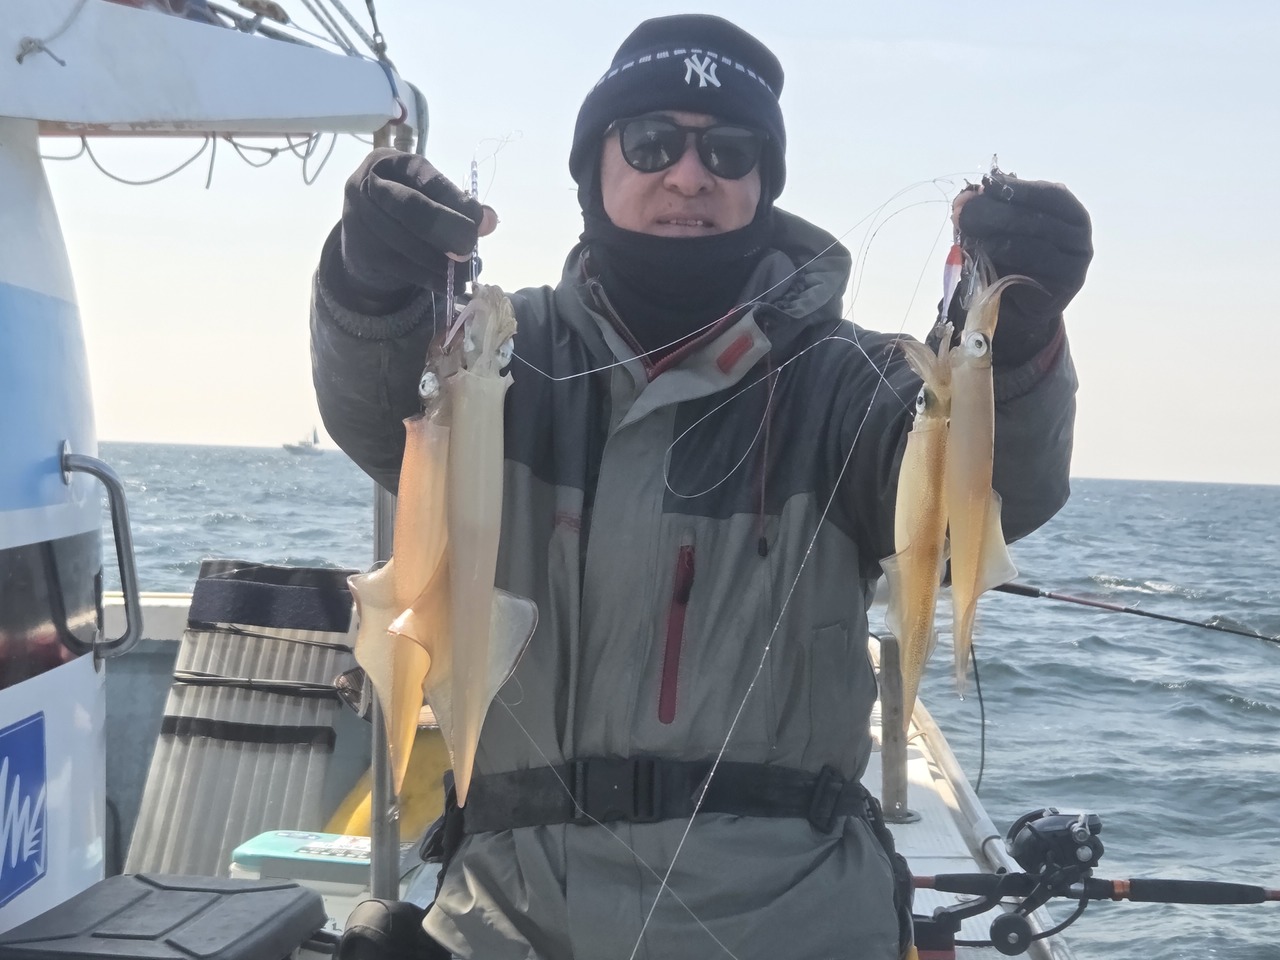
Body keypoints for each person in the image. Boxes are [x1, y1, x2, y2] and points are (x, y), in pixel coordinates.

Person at [312, 14, 1090, 960]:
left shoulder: (848, 383)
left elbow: (985, 497)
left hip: (789, 924)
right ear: (593, 166)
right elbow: (379, 404)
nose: (689, 177)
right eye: (652, 143)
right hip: (506, 920)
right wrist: (370, 283)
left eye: (729, 151)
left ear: (763, 183)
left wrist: (1014, 345)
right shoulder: (502, 351)